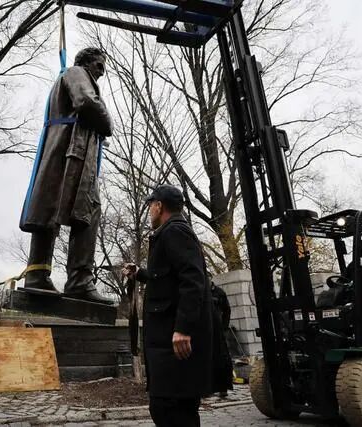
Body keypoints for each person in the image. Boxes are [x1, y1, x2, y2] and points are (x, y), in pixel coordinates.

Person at [19, 47, 113, 305]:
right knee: (89, 209)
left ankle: (37, 275)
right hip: (71, 154)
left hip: (63, 152)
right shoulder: (76, 72)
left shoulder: (69, 76)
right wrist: (107, 123)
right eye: (99, 65)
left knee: (47, 208)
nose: (101, 72)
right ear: (86, 62)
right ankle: (79, 281)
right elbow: (87, 103)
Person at [122, 184, 214, 427]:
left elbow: (193, 280)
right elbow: (166, 278)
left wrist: (183, 328)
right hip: (167, 341)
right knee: (169, 407)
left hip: (174, 341)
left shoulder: (175, 231)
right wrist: (139, 273)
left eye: (150, 205)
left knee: (170, 409)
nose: (149, 211)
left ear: (159, 206)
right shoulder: (170, 232)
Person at [211, 281, 233, 398]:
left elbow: (227, 310)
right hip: (205, 330)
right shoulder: (200, 291)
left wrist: (224, 326)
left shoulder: (219, 292)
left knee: (223, 358)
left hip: (218, 330)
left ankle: (223, 387)